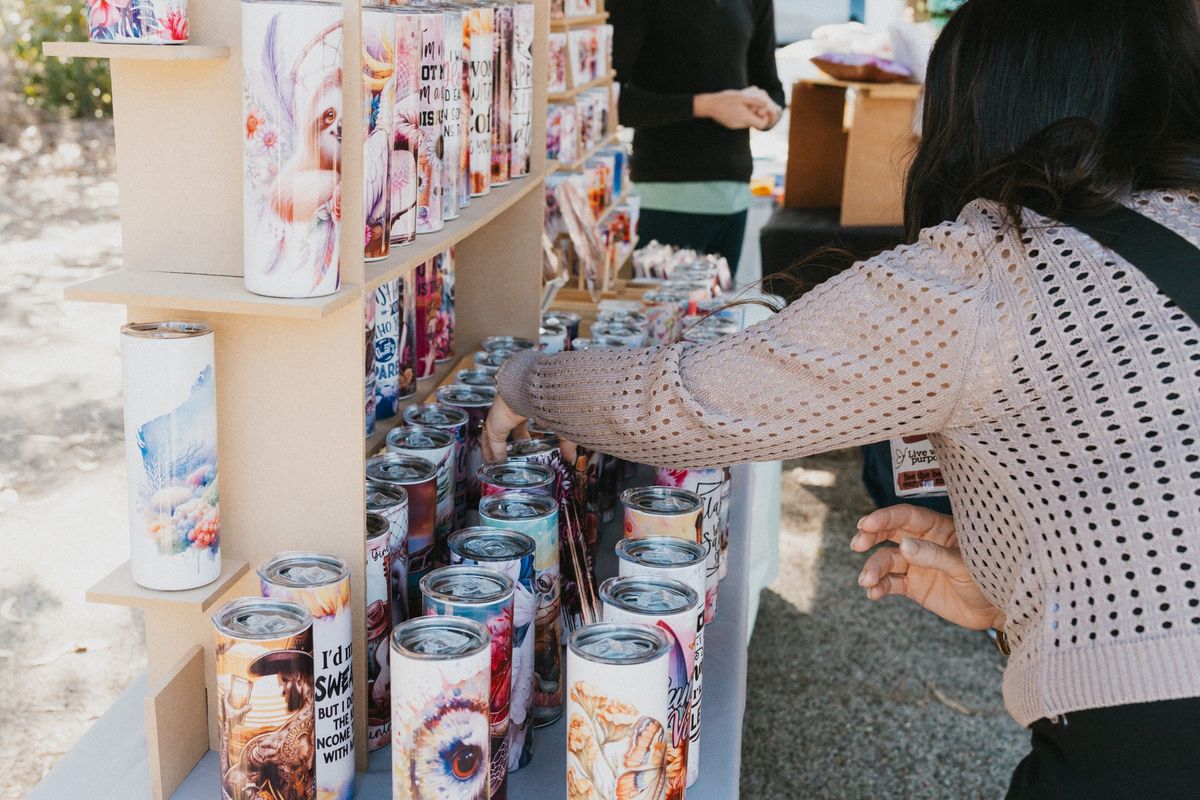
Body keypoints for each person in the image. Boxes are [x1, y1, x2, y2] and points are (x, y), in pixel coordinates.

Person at [484, 0, 1200, 795]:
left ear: (990, 103)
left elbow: (697, 403)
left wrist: (527, 381)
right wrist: (1017, 580)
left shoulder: (994, 269)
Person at [609, 0, 785, 276]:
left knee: (719, 315)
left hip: (734, 198)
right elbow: (610, 101)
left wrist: (768, 112)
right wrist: (706, 105)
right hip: (665, 197)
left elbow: (772, 89)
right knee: (664, 318)